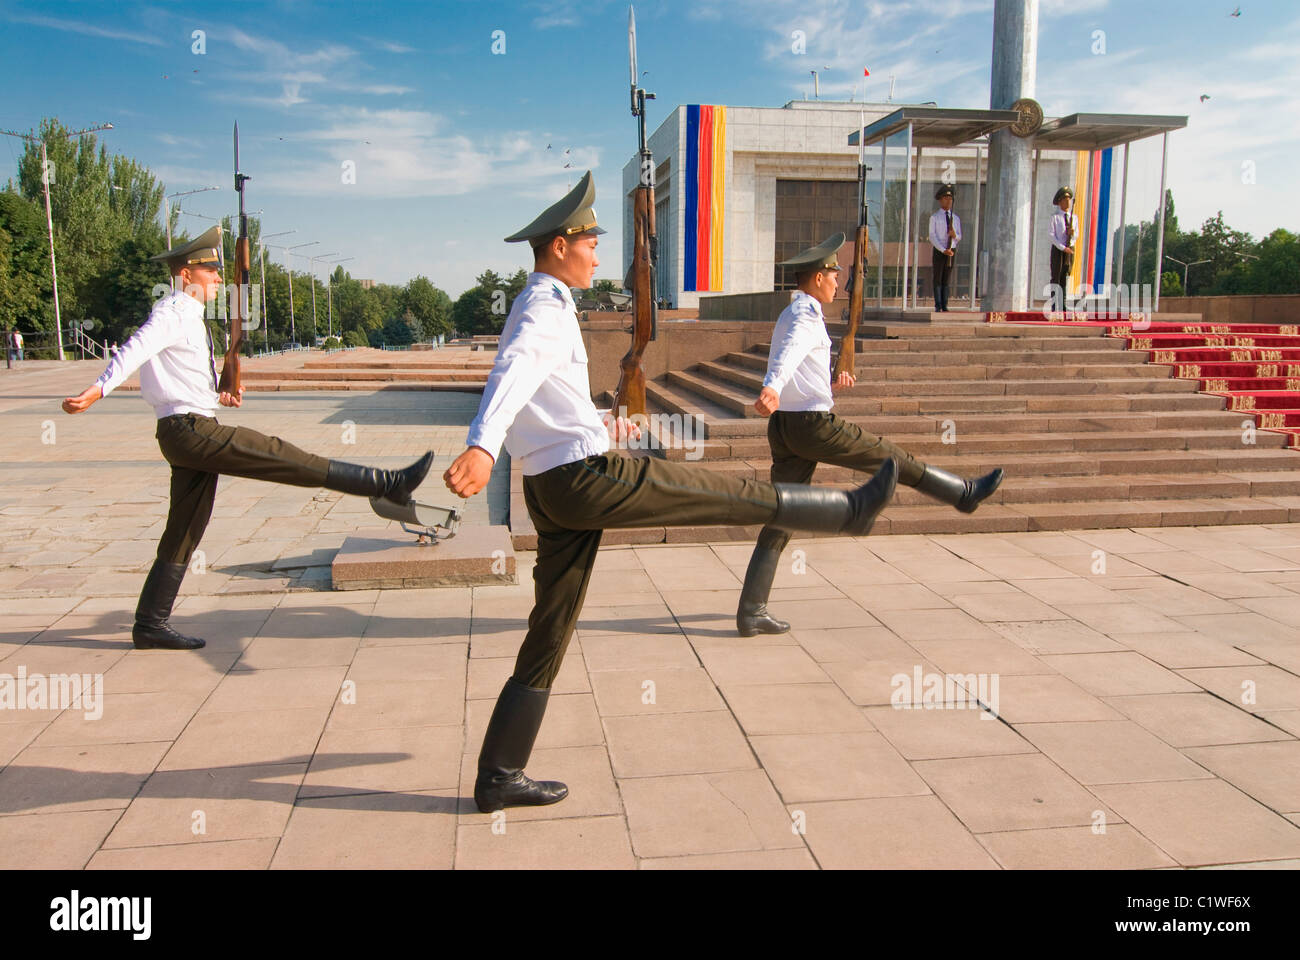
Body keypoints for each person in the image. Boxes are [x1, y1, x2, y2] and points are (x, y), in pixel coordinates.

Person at [443, 172, 899, 813]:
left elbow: (545, 395)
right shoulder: (544, 306)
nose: (598, 254)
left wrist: (602, 422)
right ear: (558, 248)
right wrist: (482, 443)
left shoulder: (541, 302)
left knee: (551, 624)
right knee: (711, 491)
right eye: (590, 243)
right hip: (581, 479)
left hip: (552, 482)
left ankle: (499, 774)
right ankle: (846, 509)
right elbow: (513, 368)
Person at [62, 226, 433, 651]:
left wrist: (217, 394)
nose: (219, 280)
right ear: (187, 274)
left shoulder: (188, 315)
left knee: (185, 527)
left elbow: (176, 378)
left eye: (220, 272)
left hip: (187, 425)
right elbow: (134, 349)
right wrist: (97, 390)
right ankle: (385, 483)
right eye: (211, 272)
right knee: (278, 455)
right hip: (190, 431)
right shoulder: (173, 311)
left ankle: (150, 623)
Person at [736, 232, 1005, 638]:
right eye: (834, 272)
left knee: (783, 514)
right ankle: (963, 494)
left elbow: (799, 362)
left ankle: (752, 610)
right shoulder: (805, 316)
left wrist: (828, 380)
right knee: (892, 458)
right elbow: (788, 354)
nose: (839, 280)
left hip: (787, 427)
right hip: (812, 426)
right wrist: (772, 385)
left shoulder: (793, 312)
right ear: (817, 277)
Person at [929, 185, 961, 312]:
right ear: (940, 200)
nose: (948, 201)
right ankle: (938, 304)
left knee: (946, 278)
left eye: (950, 199)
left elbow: (959, 236)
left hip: (951, 250)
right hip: (940, 250)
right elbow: (932, 236)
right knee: (938, 277)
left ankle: (945, 304)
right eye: (946, 198)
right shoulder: (935, 217)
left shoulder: (956, 218)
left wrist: (955, 236)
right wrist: (943, 249)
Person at [1049, 186, 1077, 311]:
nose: (1068, 203)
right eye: (1065, 200)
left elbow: (1077, 236)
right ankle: (1055, 305)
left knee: (1065, 277)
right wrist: (1062, 247)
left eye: (1069, 200)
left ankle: (1063, 305)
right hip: (1058, 250)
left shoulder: (1073, 218)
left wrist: (1072, 235)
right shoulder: (1055, 217)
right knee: (1056, 276)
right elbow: (1051, 236)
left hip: (1069, 250)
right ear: (1059, 202)